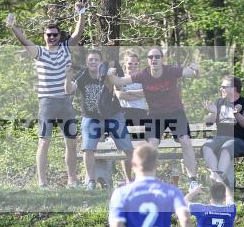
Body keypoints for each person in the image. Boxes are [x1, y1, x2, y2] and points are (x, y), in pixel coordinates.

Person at [6, 0, 87, 187]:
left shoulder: (66, 48)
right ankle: (42, 183)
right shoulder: (39, 52)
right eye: (48, 35)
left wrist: (82, 12)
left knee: (71, 142)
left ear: (59, 36)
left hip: (65, 102)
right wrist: (12, 27)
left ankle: (72, 180)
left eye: (54, 34)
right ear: (44, 36)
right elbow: (24, 41)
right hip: (47, 103)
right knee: (44, 142)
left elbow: (77, 33)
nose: (51, 37)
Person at [111, 48, 201, 190]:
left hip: (175, 112)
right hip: (155, 115)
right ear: (148, 60)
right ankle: (148, 181)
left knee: (185, 140)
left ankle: (193, 181)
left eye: (157, 56)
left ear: (162, 59)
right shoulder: (143, 74)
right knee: (151, 145)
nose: (154, 59)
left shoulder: (170, 71)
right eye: (151, 57)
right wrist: (110, 73)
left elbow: (193, 74)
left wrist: (196, 69)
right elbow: (118, 80)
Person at [65, 49, 134, 188]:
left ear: (100, 62)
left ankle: (138, 179)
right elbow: (69, 90)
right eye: (91, 59)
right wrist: (67, 77)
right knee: (87, 148)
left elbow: (120, 86)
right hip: (91, 117)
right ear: (87, 62)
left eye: (96, 59)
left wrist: (113, 76)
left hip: (113, 115)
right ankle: (91, 181)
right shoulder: (83, 75)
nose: (93, 62)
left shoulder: (107, 72)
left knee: (128, 148)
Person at [201, 76, 244, 185]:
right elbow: (207, 123)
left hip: (239, 140)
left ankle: (219, 182)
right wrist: (213, 113)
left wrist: (236, 113)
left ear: (233, 89)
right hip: (220, 138)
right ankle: (220, 179)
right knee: (206, 147)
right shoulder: (219, 102)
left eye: (224, 87)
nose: (221, 89)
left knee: (226, 147)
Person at [115, 51, 147, 127]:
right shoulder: (119, 78)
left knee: (139, 138)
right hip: (124, 112)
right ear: (125, 64)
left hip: (140, 112)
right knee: (125, 138)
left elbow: (145, 93)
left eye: (136, 64)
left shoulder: (143, 78)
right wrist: (138, 94)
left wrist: (128, 91)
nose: (133, 66)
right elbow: (120, 95)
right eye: (130, 63)